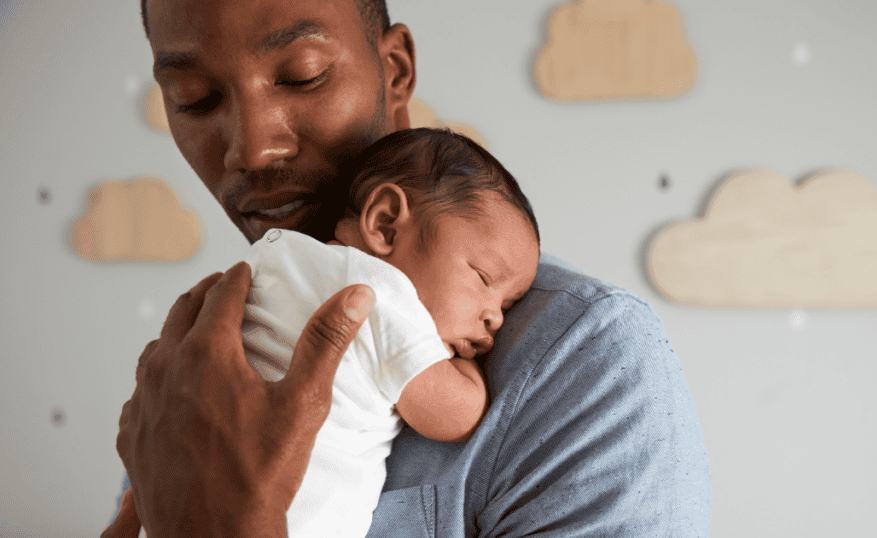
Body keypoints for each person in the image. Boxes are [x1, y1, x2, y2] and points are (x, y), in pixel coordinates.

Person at [106, 0, 712, 536]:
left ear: (394, 70)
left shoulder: (583, 360)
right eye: (195, 99)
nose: (253, 147)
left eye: (303, 75)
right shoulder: (201, 354)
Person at [241, 128, 539, 537]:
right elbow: (458, 416)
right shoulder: (380, 294)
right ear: (385, 226)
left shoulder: (278, 259)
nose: (496, 319)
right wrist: (465, 367)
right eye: (484, 278)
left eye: (507, 306)